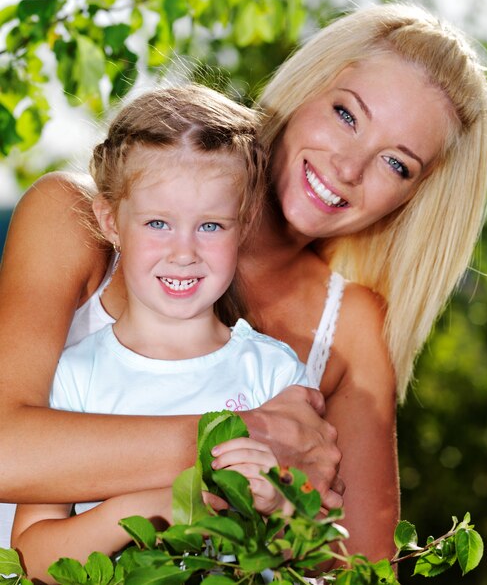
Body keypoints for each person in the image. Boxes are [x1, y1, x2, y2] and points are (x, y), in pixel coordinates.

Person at [0, 2, 487, 563]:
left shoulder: (351, 332)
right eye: (347, 115)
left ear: (414, 198)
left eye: (397, 164)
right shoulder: (77, 218)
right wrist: (242, 439)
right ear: (306, 89)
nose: (349, 167)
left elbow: (360, 569)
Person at [11, 84, 304, 581]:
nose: (184, 251)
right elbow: (32, 557)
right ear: (110, 221)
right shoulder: (76, 376)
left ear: (245, 222)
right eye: (158, 223)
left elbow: (311, 554)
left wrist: (282, 508)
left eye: (210, 226)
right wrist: (155, 508)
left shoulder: (272, 374)